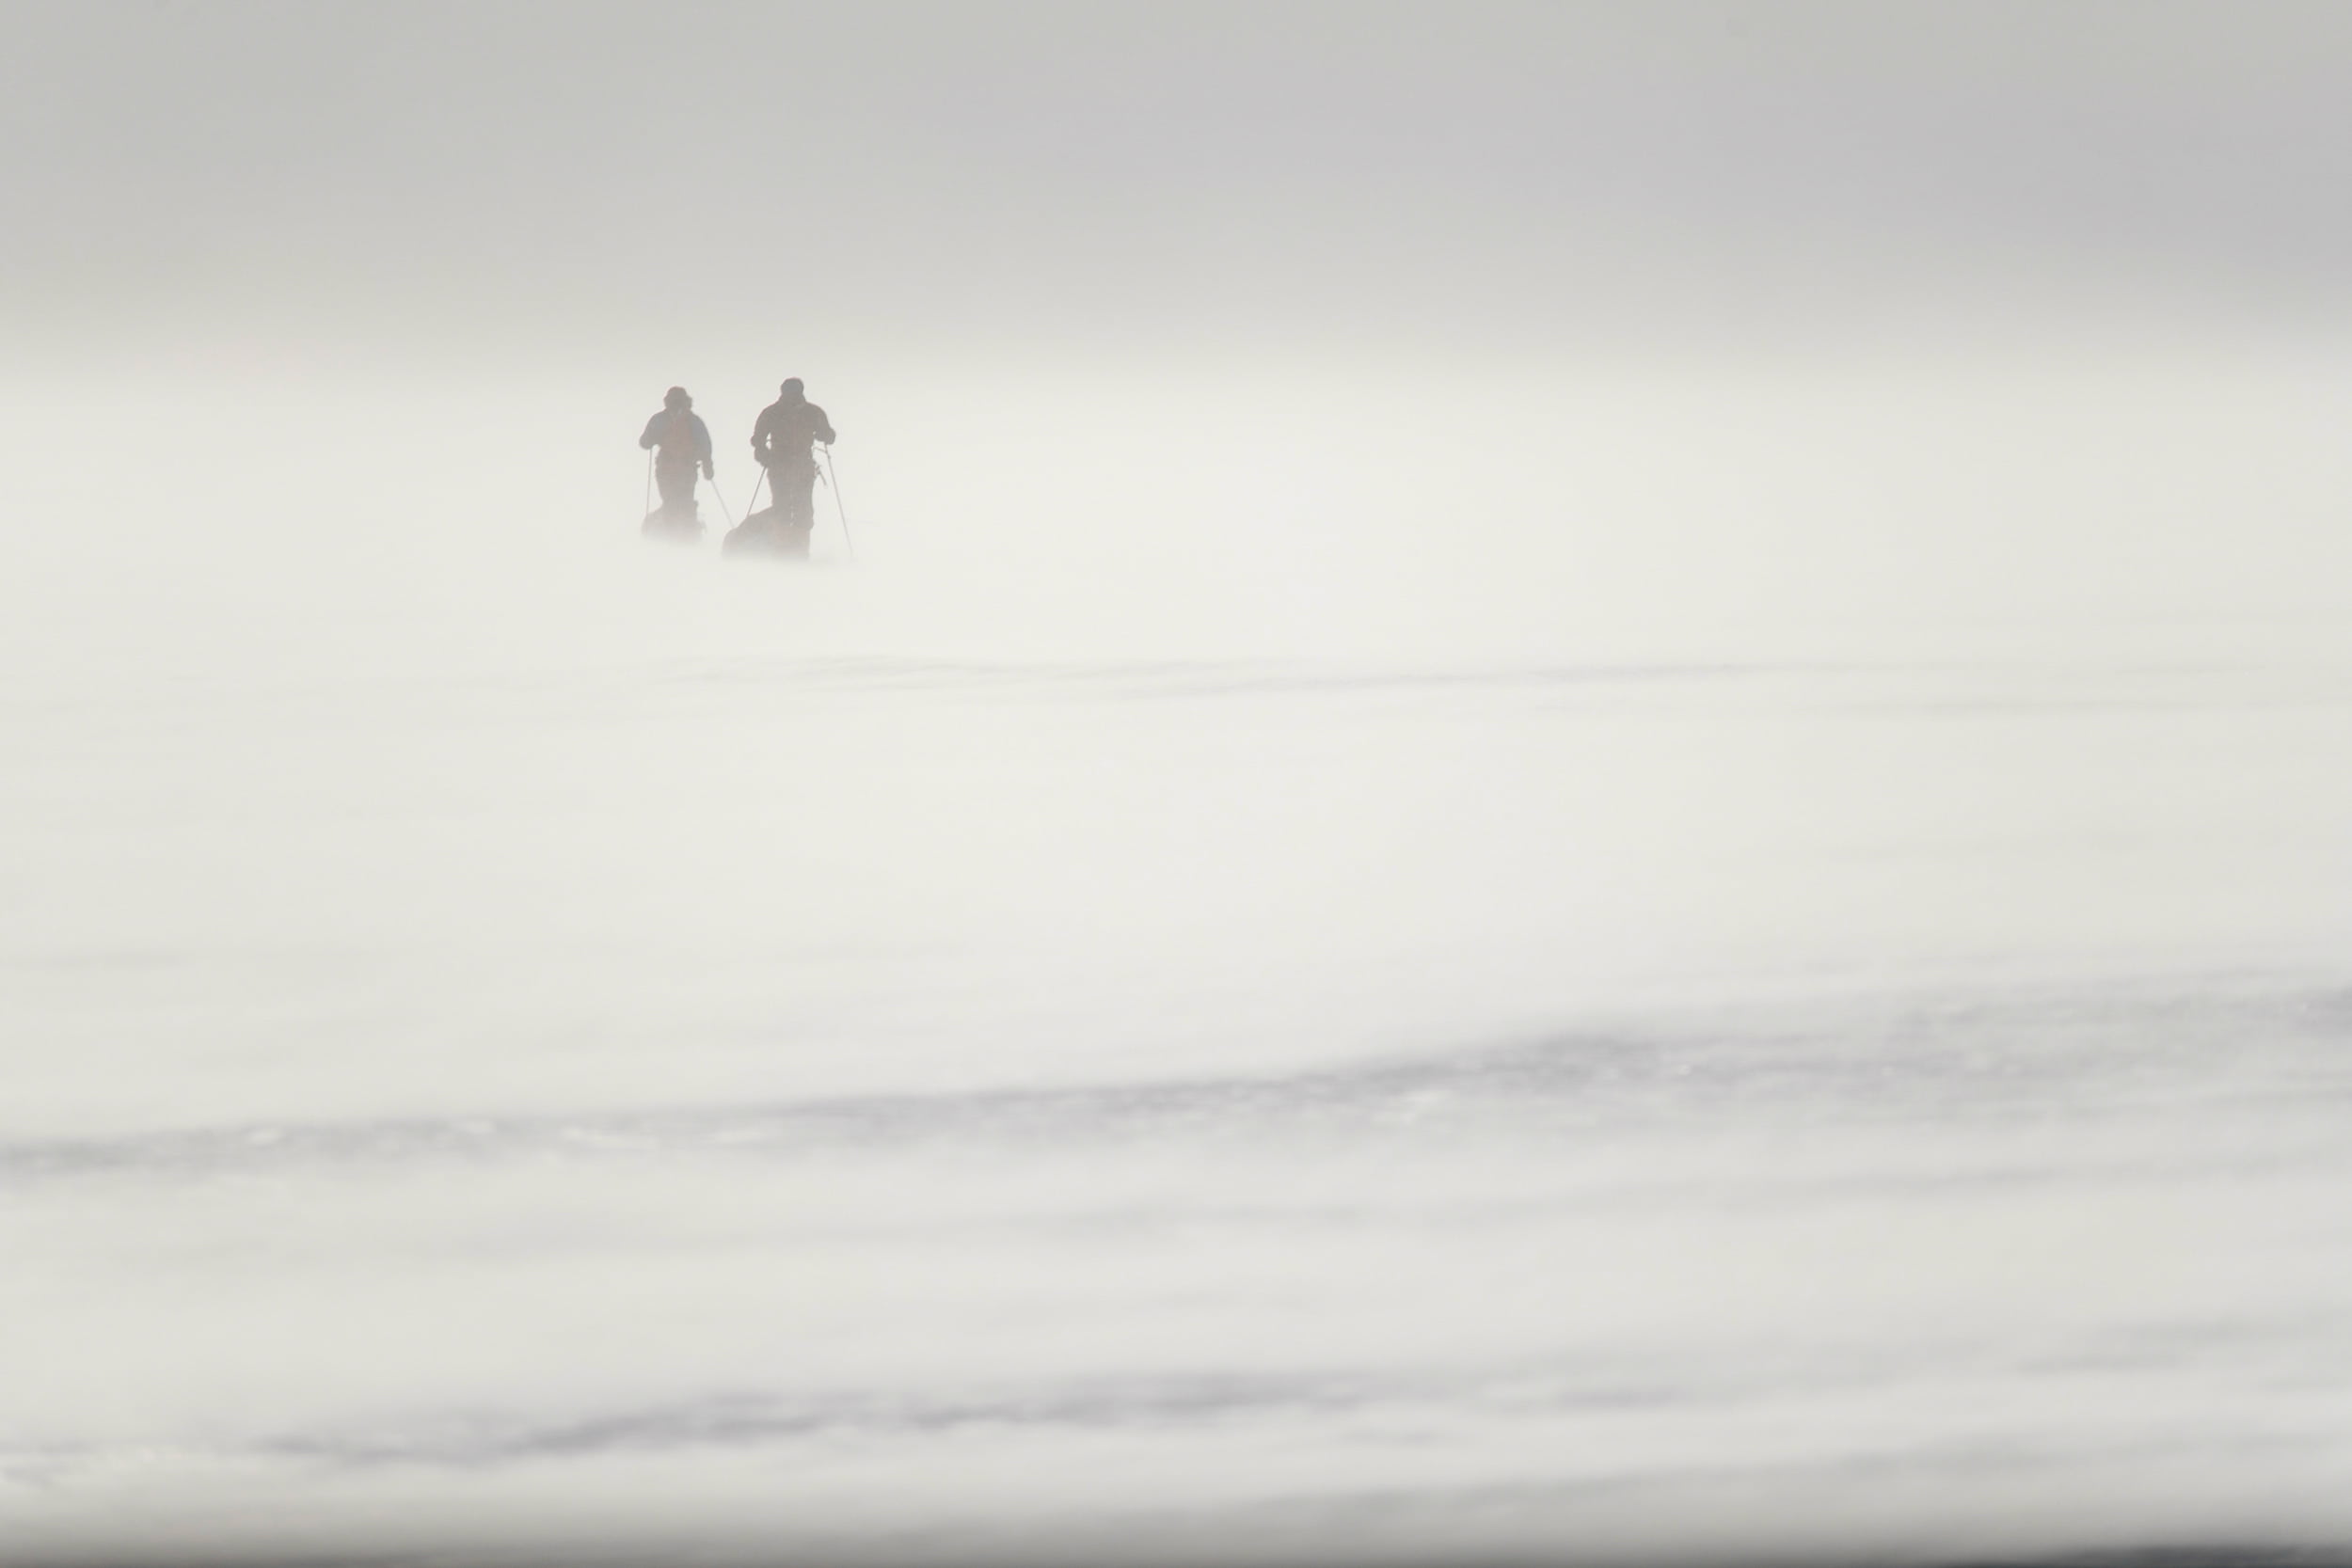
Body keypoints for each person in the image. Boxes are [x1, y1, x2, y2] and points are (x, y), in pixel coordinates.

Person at [749, 378, 836, 541]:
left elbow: (757, 440)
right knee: (803, 507)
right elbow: (828, 436)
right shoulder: (813, 412)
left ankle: (783, 548)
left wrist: (765, 457)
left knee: (781, 506)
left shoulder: (771, 412)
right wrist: (824, 435)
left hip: (778, 465)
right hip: (802, 465)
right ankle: (799, 549)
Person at [639, 387, 714, 530]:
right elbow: (705, 445)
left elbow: (644, 443)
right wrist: (707, 467)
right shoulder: (694, 421)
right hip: (687, 469)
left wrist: (651, 439)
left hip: (666, 469)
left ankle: (670, 532)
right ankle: (688, 533)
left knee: (670, 501)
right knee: (685, 501)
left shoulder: (659, 420)